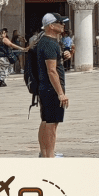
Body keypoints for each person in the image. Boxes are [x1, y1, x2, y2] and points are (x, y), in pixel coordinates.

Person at [37, 12, 72, 157]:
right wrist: (60, 93)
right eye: (60, 23)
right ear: (51, 26)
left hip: (45, 88)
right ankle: (50, 156)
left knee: (46, 121)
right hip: (52, 89)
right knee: (52, 123)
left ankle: (44, 153)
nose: (63, 25)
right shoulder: (50, 44)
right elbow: (52, 71)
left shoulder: (44, 41)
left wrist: (66, 55)